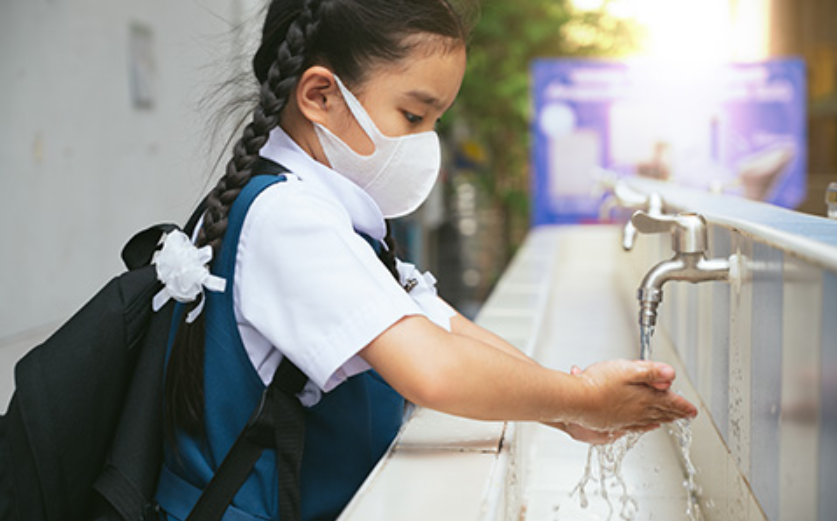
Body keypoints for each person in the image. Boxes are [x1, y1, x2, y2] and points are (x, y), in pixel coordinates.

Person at [153, 0, 698, 519]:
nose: (426, 143)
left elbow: (443, 327)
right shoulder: (285, 219)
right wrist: (580, 398)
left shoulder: (322, 207)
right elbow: (433, 369)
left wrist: (565, 408)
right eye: (414, 114)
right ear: (320, 95)